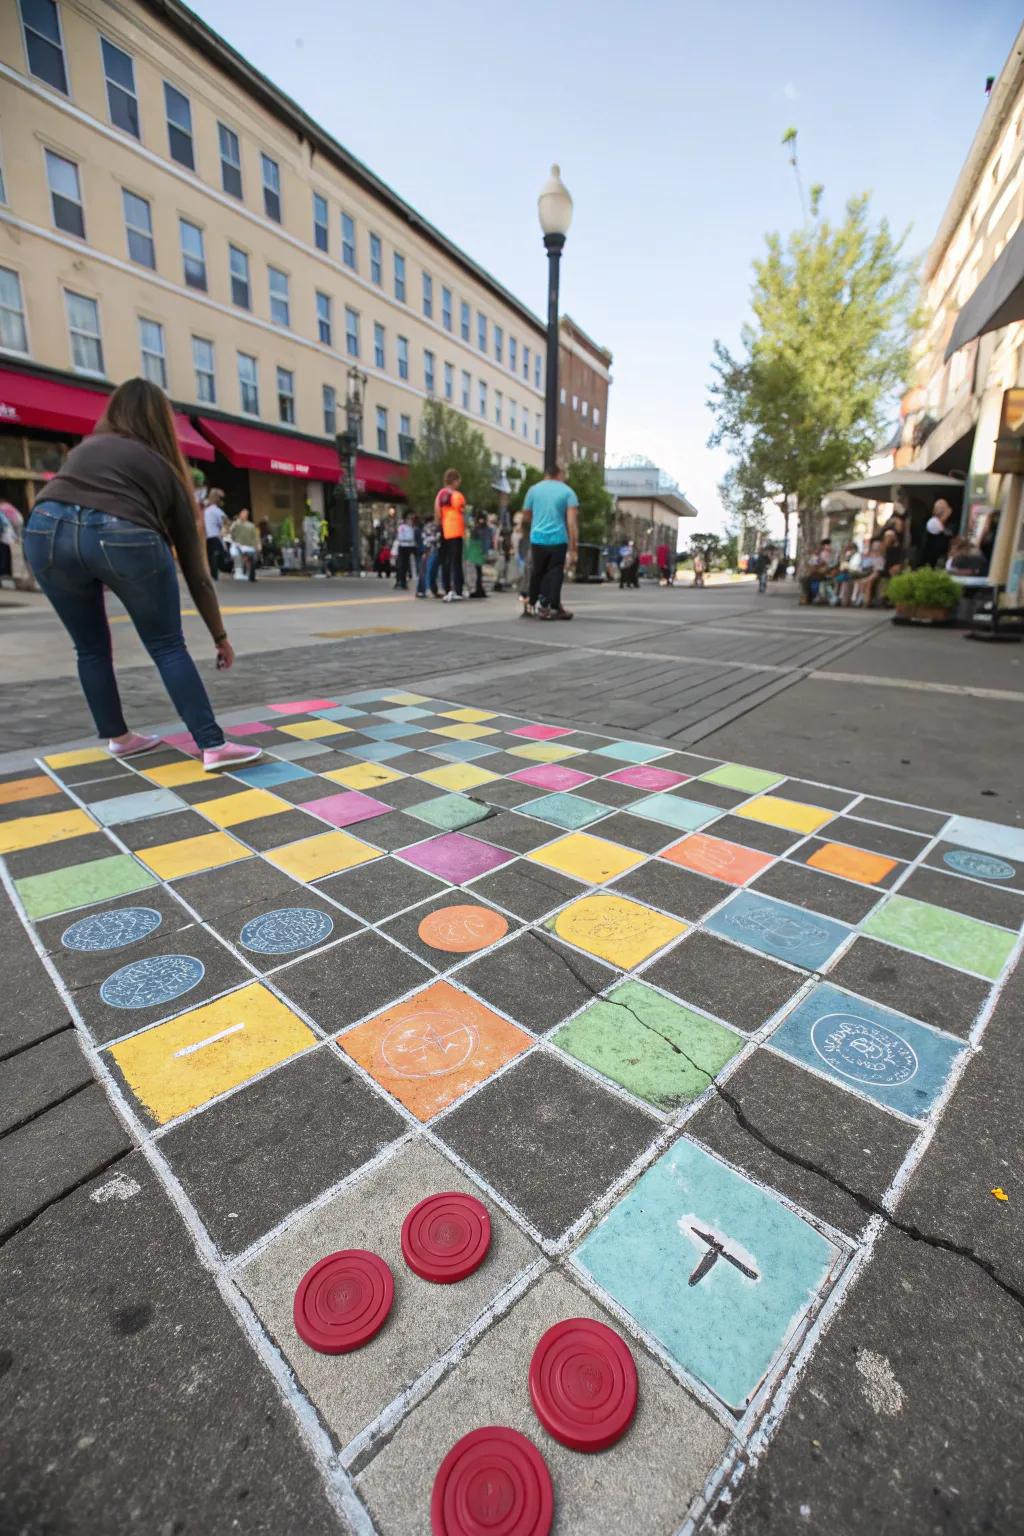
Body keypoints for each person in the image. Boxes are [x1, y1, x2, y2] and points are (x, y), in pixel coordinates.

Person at [22, 377, 261, 772]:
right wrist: (220, 637)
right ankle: (212, 744)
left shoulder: (87, 448)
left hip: (45, 527)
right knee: (167, 644)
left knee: (90, 647)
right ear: (162, 423)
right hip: (123, 532)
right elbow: (196, 571)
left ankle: (119, 738)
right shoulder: (165, 468)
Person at [523, 464, 578, 620]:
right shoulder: (568, 492)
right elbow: (571, 523)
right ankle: (553, 606)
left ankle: (531, 603)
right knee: (555, 572)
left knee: (537, 572)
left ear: (546, 474)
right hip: (558, 539)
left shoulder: (533, 490)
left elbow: (526, 515)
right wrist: (573, 547)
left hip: (538, 538)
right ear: (559, 474)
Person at [435, 468, 466, 602]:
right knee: (456, 561)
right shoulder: (458, 496)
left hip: (444, 529)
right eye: (458, 481)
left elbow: (436, 510)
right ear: (454, 481)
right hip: (456, 530)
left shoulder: (441, 494)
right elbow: (463, 510)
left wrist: (439, 525)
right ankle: (457, 589)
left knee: (445, 561)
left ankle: (447, 588)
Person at [921, 497, 955, 568]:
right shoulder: (932, 521)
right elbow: (940, 529)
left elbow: (950, 534)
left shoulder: (950, 524)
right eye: (938, 508)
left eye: (943, 508)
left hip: (943, 556)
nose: (940, 510)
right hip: (931, 557)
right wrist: (945, 515)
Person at [228, 507, 259, 582]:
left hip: (248, 547)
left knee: (253, 558)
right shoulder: (235, 524)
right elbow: (231, 533)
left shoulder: (251, 525)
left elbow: (255, 537)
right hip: (238, 546)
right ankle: (239, 572)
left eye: (245, 514)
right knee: (237, 555)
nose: (243, 515)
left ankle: (251, 575)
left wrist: (257, 546)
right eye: (242, 514)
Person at [204, 488, 227, 580]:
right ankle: (214, 575)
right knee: (216, 557)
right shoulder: (217, 511)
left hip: (205, 537)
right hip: (214, 537)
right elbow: (225, 522)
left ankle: (210, 575)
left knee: (209, 557)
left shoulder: (205, 510)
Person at [466, 512, 491, 599]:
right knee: (477, 572)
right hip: (478, 551)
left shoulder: (477, 529)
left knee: (476, 572)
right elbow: (487, 542)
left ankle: (478, 589)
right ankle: (479, 589)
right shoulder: (486, 529)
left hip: (476, 551)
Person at [416, 516, 441, 598]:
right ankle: (429, 589)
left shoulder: (425, 528)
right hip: (432, 550)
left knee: (425, 571)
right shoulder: (433, 526)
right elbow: (436, 537)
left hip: (427, 551)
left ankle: (422, 590)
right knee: (430, 571)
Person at [394, 514, 416, 589]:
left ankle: (404, 581)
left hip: (409, 547)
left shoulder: (411, 528)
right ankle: (400, 581)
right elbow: (401, 537)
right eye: (409, 519)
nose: (411, 521)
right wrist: (409, 540)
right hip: (403, 546)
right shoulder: (402, 527)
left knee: (406, 565)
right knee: (401, 565)